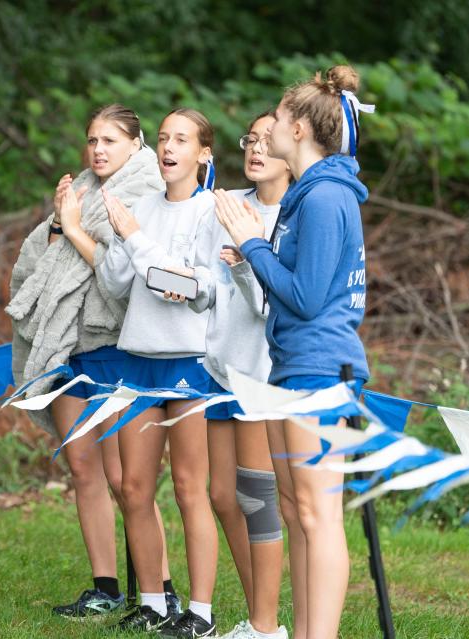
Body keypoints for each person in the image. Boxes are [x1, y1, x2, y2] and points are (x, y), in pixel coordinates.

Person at [216, 65, 372, 639]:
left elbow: (306, 297)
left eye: (278, 118)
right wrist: (255, 247)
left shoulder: (327, 196)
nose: (268, 129)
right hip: (290, 365)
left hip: (320, 367)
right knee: (294, 510)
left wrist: (251, 242)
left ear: (301, 129)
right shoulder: (306, 196)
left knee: (318, 514)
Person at [7, 104, 178, 620]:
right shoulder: (79, 189)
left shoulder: (150, 192)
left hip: (117, 344)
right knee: (83, 468)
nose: (98, 149)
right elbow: (45, 252)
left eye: (109, 140)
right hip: (67, 342)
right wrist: (63, 224)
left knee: (131, 480)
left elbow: (120, 273)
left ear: (136, 143)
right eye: (92, 140)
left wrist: (75, 226)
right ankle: (105, 587)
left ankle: (160, 589)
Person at [97, 108, 220, 637]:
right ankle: (153, 602)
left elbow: (201, 289)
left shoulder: (213, 210)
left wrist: (165, 268)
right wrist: (123, 239)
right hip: (138, 359)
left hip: (189, 363)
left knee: (191, 489)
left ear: (203, 154)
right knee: (134, 487)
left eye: (183, 139)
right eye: (164, 138)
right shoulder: (140, 205)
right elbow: (118, 284)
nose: (170, 148)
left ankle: (201, 614)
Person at [183, 111, 290, 639]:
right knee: (222, 496)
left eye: (268, 141)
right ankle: (259, 617)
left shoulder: (293, 218)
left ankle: (265, 627)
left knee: (255, 499)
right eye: (251, 139)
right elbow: (209, 285)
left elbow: (273, 306)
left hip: (261, 373)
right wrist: (186, 286)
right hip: (217, 367)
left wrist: (247, 262)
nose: (255, 149)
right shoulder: (224, 207)